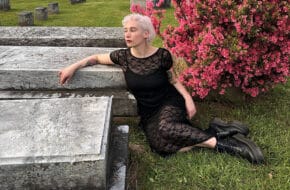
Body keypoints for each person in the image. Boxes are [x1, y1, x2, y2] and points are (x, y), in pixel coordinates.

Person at [59, 13, 264, 164]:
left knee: (167, 129)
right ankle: (216, 129)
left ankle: (228, 146)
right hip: (148, 113)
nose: (127, 34)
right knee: (160, 147)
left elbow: (173, 80)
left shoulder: (162, 55)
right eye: (125, 30)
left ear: (146, 33)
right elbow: (94, 58)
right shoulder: (123, 57)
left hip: (169, 103)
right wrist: (73, 66)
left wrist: (188, 99)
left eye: (133, 30)